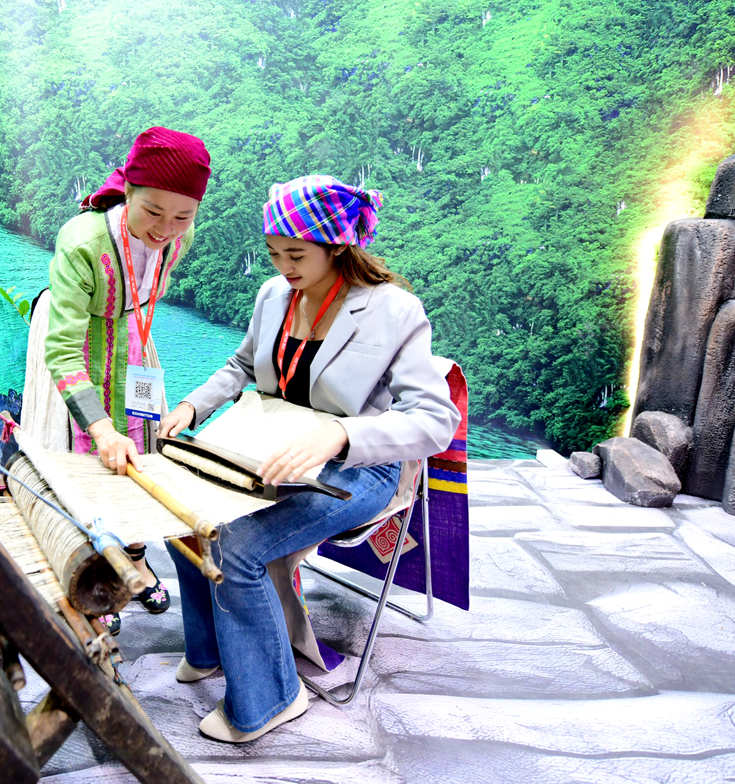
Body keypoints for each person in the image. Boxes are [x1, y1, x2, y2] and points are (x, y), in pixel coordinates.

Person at [156, 175, 459, 742]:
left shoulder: (394, 309)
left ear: (338, 245)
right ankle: (214, 649)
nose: (283, 266)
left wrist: (340, 437)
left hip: (357, 470)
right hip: (270, 447)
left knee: (236, 545)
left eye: (295, 254)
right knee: (182, 513)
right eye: (274, 253)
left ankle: (270, 698)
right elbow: (243, 366)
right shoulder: (274, 295)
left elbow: (435, 422)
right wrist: (195, 407)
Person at [44, 126, 212, 633]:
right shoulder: (83, 243)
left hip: (138, 350)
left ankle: (136, 559)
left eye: (183, 216)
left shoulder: (176, 235)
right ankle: (99, 575)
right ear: (128, 191)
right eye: (153, 212)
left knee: (144, 452)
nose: (166, 229)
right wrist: (99, 426)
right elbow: (62, 348)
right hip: (82, 353)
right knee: (94, 464)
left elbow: (144, 301)